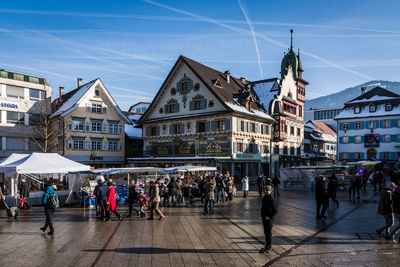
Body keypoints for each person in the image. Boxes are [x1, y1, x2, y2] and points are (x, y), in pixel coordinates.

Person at [259, 186, 277, 253]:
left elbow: (275, 210)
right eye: (265, 190)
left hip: (269, 219)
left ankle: (269, 247)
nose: (265, 191)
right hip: (264, 218)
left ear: (270, 191)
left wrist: (269, 216)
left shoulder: (271, 199)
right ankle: (267, 246)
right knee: (266, 232)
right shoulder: (265, 197)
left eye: (267, 190)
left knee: (268, 232)